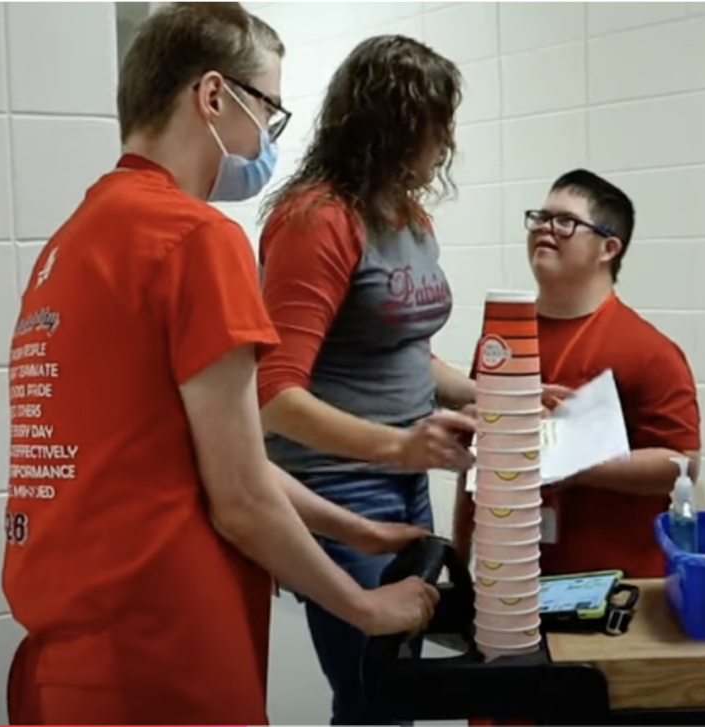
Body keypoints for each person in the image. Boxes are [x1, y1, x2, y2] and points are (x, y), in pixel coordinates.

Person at [2, 6, 438, 725]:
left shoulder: (74, 241)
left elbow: (198, 458)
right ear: (212, 96)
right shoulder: (196, 237)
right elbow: (237, 498)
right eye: (268, 108)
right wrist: (363, 604)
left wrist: (357, 531)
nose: (269, 137)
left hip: (71, 660)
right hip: (164, 652)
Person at [256, 35, 479, 726]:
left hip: (405, 482)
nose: (445, 141)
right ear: (395, 122)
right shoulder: (317, 219)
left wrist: (498, 396)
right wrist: (397, 447)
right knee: (369, 690)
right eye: (436, 122)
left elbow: (412, 356)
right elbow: (273, 397)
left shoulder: (410, 218)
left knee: (396, 685)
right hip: (334, 483)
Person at [454, 169, 702, 579]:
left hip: (616, 592)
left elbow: (683, 465)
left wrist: (565, 458)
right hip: (510, 586)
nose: (545, 229)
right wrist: (461, 559)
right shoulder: (501, 341)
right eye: (540, 218)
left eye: (565, 221)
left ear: (608, 248)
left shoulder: (650, 351)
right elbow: (474, 460)